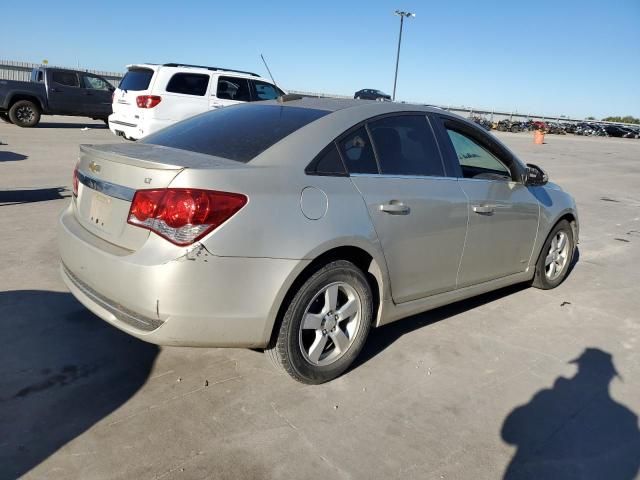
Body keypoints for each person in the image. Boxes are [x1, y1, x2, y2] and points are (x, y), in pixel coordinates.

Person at [501, 348, 640, 479]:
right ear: (609, 377)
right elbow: (628, 469)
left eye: (581, 369)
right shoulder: (626, 417)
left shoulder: (548, 397)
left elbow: (508, 433)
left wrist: (551, 396)